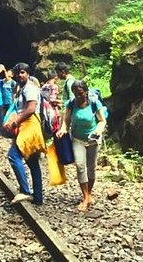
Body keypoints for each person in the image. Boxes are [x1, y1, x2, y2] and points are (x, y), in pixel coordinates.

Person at [56, 80, 107, 212]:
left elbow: (102, 121)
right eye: (75, 94)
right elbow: (66, 120)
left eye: (80, 93)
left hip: (93, 140)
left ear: (86, 92)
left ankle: (89, 193)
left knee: (91, 168)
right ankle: (85, 197)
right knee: (80, 165)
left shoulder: (94, 103)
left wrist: (97, 131)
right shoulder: (71, 104)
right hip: (78, 139)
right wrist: (63, 129)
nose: (78, 96)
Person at [5, 62, 43, 206]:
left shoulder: (30, 89)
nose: (20, 75)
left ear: (28, 74)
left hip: (30, 125)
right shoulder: (22, 88)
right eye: (18, 72)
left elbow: (31, 109)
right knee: (33, 162)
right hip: (26, 125)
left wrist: (15, 122)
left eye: (23, 72)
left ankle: (25, 191)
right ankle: (38, 197)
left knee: (13, 155)